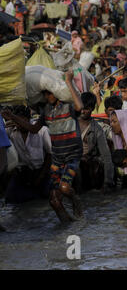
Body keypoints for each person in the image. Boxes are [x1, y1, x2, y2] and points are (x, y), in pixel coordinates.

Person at [1, 70, 84, 223]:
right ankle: (71, 225)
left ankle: (76, 201)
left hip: (71, 156)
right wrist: (12, 117)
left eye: (49, 93)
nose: (47, 97)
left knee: (64, 189)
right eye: (45, 94)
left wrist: (69, 81)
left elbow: (79, 106)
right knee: (53, 201)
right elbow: (33, 129)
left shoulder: (68, 107)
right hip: (57, 159)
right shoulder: (46, 112)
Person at [4, 105, 51, 204]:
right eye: (17, 121)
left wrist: (41, 176)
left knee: (46, 198)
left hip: (42, 171)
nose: (20, 124)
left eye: (22, 121)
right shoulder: (10, 131)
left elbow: (50, 154)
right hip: (23, 173)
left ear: (28, 119)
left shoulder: (42, 130)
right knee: (10, 199)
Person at [75, 92, 115, 192]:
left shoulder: (97, 129)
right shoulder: (71, 123)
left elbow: (106, 156)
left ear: (92, 109)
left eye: (86, 109)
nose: (83, 111)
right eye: (81, 108)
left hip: (89, 164)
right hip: (73, 161)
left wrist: (107, 182)